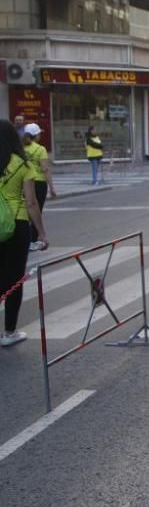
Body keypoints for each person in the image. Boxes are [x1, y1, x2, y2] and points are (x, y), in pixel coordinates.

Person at [0, 120, 48, 347]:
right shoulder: (22, 163)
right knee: (14, 279)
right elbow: (31, 203)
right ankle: (9, 332)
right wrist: (41, 233)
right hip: (17, 225)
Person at [22, 124, 55, 250]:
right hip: (38, 182)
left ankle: (25, 237)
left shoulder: (20, 148)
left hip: (24, 182)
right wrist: (52, 187)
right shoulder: (40, 149)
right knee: (36, 211)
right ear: (36, 136)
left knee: (24, 212)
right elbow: (45, 169)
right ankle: (33, 239)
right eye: (39, 134)